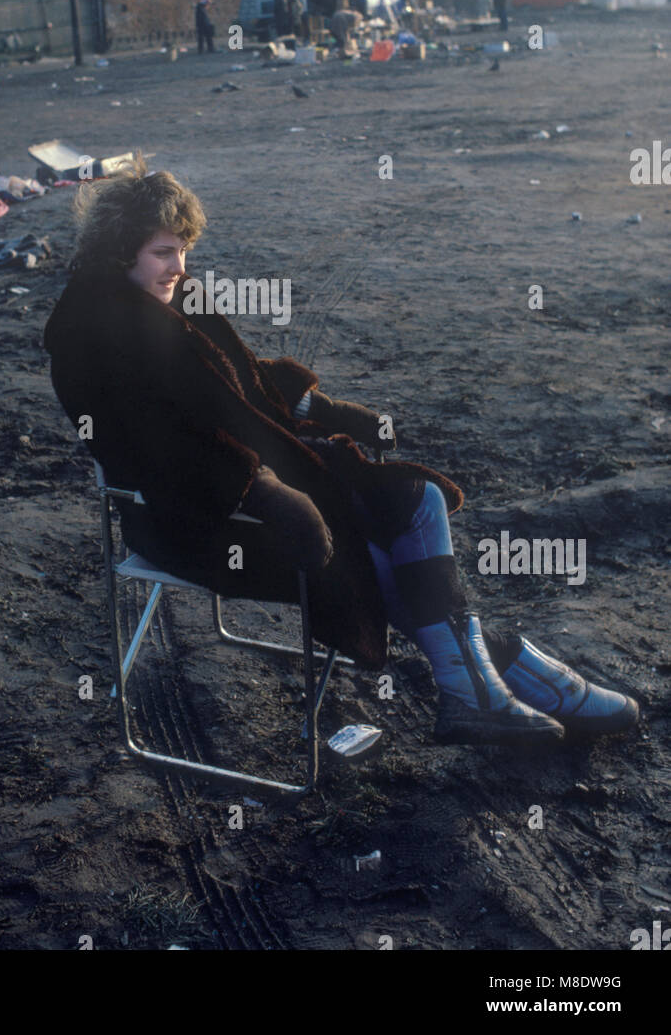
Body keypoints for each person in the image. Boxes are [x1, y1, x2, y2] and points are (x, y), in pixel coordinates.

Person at [44, 159, 639, 749]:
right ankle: (498, 673)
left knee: (414, 497)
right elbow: (149, 452)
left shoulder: (176, 297)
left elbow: (246, 382)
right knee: (371, 549)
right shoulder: (89, 332)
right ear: (122, 249)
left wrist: (318, 409)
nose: (180, 267)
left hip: (263, 483)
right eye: (163, 253)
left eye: (183, 250)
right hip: (188, 516)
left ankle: (475, 691)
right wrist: (264, 492)